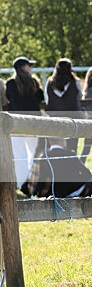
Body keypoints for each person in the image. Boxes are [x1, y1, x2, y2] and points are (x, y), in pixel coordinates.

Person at [5, 56, 44, 188]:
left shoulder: (10, 83)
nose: (31, 68)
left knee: (19, 154)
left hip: (16, 123)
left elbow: (10, 100)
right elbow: (40, 98)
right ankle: (33, 182)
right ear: (23, 68)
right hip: (33, 123)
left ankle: (22, 183)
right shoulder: (33, 82)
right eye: (29, 66)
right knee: (33, 153)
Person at [45, 58, 84, 153]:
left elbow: (47, 99)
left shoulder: (50, 83)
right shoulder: (75, 83)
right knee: (72, 147)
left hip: (55, 118)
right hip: (73, 118)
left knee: (56, 146)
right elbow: (80, 96)